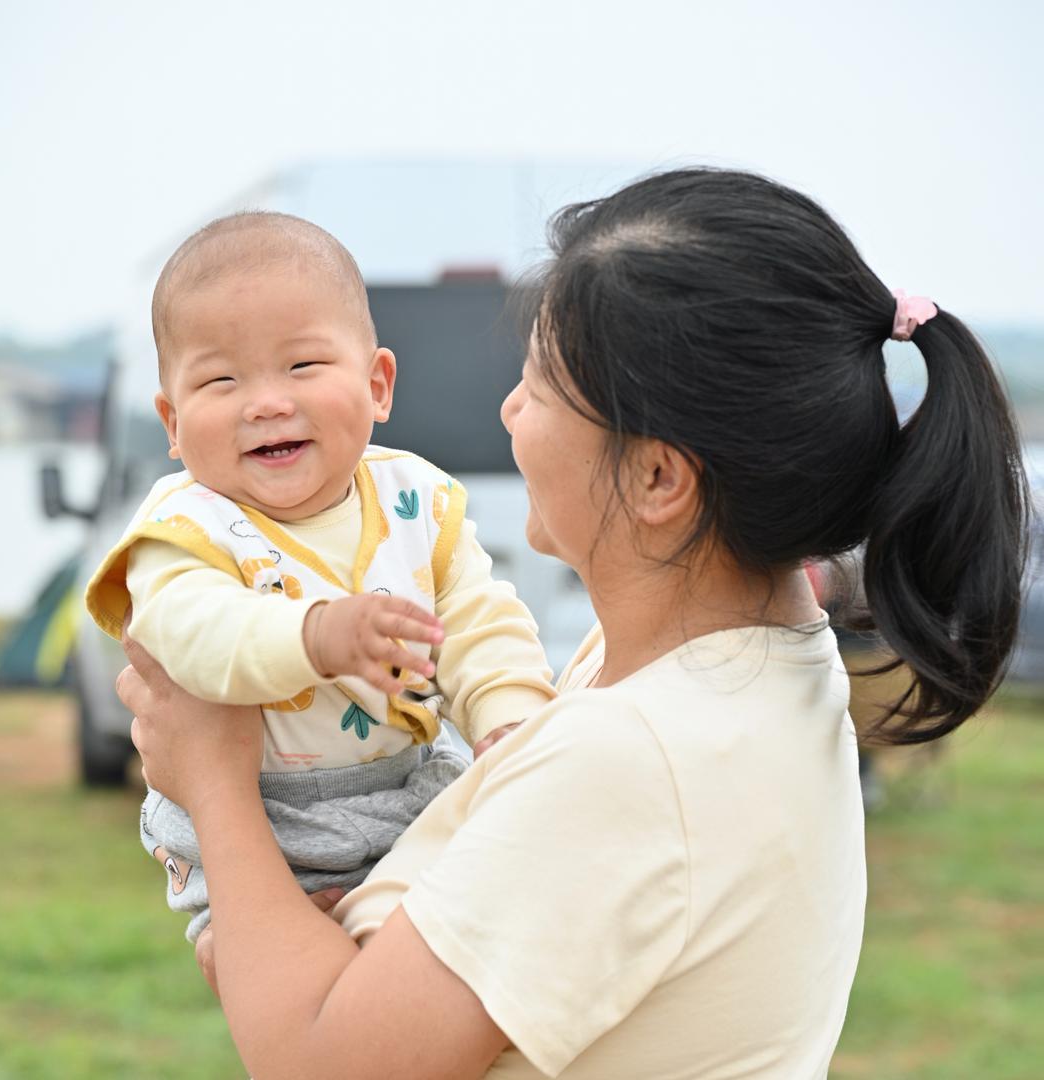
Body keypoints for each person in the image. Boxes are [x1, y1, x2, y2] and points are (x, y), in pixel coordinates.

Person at [118, 168, 1027, 1078]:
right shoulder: (730, 663)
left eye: (541, 385)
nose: (509, 408)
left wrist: (216, 785)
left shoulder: (638, 758)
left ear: (659, 479)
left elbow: (324, 1062)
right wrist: (274, 935)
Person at [86, 212, 555, 941]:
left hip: (408, 789)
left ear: (377, 385)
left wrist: (509, 719)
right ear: (172, 425)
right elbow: (194, 635)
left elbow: (476, 620)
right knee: (276, 956)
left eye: (303, 366)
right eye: (221, 379)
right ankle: (259, 963)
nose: (267, 401)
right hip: (262, 822)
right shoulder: (183, 528)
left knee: (480, 917)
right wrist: (314, 636)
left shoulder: (414, 502)